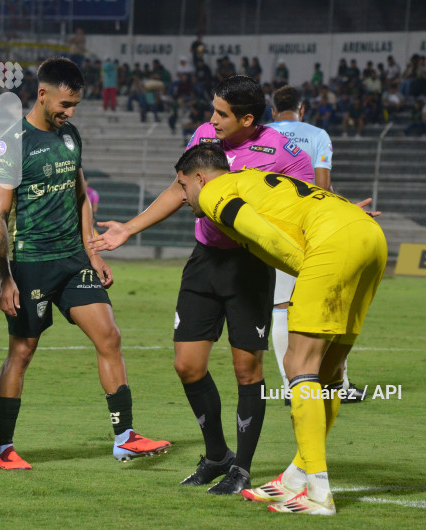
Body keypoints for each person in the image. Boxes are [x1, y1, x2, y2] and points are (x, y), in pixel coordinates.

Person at [91, 76, 314, 495]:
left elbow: (309, 204)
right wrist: (129, 230)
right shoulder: (204, 137)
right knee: (187, 365)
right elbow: (179, 190)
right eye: (212, 110)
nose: (211, 120)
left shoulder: (285, 154)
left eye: (222, 114)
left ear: (248, 119)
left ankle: (242, 469)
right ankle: (217, 456)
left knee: (246, 368)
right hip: (204, 262)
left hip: (250, 267)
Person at [174, 144, 387, 515]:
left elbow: (263, 235)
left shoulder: (213, 192)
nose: (183, 196)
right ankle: (295, 476)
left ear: (198, 177)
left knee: (298, 363)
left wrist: (308, 272)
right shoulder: (254, 178)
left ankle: (318, 495)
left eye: (181, 185)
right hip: (369, 235)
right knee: (330, 370)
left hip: (330, 246)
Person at [0, 57, 170, 470]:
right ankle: (3, 448)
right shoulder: (12, 143)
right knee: (22, 351)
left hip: (73, 260)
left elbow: (80, 192)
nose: (69, 113)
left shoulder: (69, 135)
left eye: (74, 105)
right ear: (42, 94)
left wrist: (92, 251)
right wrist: (5, 278)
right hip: (31, 262)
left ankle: (125, 438)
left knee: (110, 337)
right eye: (65, 104)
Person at [266, 85, 364, 404]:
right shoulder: (318, 134)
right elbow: (322, 186)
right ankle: (338, 383)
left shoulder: (262, 133)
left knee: (281, 306)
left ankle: (288, 384)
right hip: (314, 228)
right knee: (328, 303)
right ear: (302, 109)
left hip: (273, 228)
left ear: (272, 111)